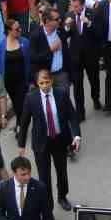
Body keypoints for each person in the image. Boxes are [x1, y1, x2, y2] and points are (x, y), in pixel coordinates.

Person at [16, 67, 80, 208]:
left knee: (61, 171)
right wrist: (21, 144)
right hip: (41, 143)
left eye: (47, 82)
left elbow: (72, 115)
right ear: (37, 84)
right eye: (41, 83)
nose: (45, 85)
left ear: (51, 80)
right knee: (44, 176)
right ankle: (48, 205)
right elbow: (24, 122)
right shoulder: (31, 98)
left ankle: (62, 197)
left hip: (59, 140)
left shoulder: (61, 94)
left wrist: (76, 135)